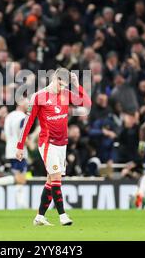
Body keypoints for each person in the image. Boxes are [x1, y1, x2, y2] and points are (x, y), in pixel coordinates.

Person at [16, 68, 92, 226]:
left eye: (65, 85)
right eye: (60, 83)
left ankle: (39, 217)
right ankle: (63, 216)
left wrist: (77, 85)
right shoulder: (39, 97)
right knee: (56, 177)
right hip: (47, 143)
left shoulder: (65, 94)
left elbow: (87, 103)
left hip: (61, 143)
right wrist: (20, 146)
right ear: (54, 78)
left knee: (51, 180)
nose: (62, 87)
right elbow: (28, 122)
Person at [0, 98, 29, 208]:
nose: (29, 104)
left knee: (19, 176)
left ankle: (21, 203)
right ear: (20, 104)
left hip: (10, 149)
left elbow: (3, 136)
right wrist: (29, 144)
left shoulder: (9, 116)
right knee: (21, 177)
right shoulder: (23, 117)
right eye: (26, 102)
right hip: (19, 150)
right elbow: (22, 133)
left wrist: (11, 141)